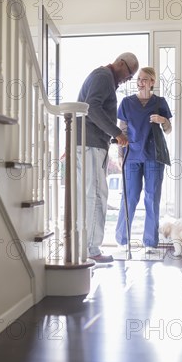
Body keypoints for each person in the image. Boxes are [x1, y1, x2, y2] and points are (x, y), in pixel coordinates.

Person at [76, 52, 139, 263]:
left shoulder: (103, 77)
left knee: (87, 196)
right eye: (129, 75)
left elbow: (92, 110)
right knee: (96, 195)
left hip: (89, 143)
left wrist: (111, 136)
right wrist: (117, 132)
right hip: (91, 144)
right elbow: (91, 108)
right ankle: (92, 249)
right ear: (121, 64)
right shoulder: (104, 76)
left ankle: (83, 247)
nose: (127, 79)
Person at [115, 66, 172, 254]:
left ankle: (150, 242)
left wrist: (162, 120)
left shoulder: (160, 102)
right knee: (129, 197)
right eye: (139, 79)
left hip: (154, 156)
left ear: (153, 82)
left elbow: (169, 129)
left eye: (145, 79)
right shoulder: (126, 102)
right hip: (132, 155)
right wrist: (120, 155)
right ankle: (122, 240)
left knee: (152, 198)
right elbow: (122, 131)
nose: (141, 82)